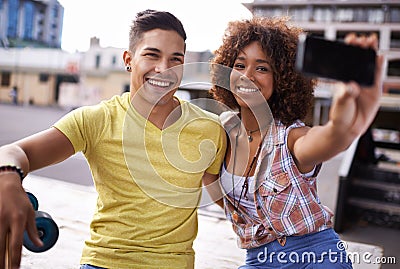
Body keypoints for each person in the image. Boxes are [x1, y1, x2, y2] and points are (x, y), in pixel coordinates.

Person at [0, 10, 226, 269]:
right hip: (104, 263)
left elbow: (225, 196)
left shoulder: (209, 127)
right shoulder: (95, 120)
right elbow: (15, 151)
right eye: (152, 55)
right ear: (128, 59)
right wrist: (8, 177)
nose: (164, 69)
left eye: (176, 59)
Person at [207, 16, 382, 268]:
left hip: (315, 256)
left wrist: (345, 119)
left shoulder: (291, 136)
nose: (247, 76)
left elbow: (332, 137)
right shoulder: (220, 132)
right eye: (239, 64)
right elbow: (224, 199)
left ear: (282, 79)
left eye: (262, 68)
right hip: (258, 259)